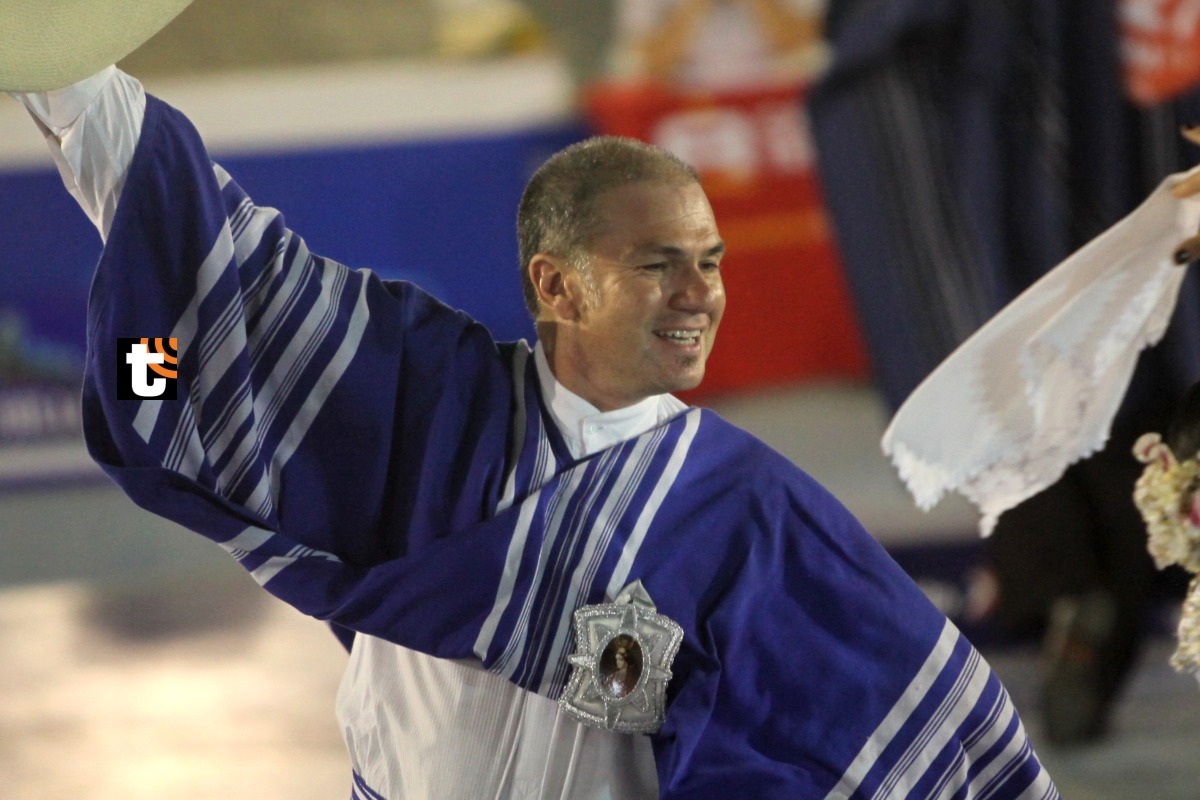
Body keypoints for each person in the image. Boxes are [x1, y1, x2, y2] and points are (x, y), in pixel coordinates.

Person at [6, 17, 1058, 800]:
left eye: (710, 264)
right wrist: (58, 52)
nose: (700, 296)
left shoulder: (755, 516)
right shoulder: (417, 400)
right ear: (557, 286)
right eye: (658, 265)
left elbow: (882, 729)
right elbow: (180, 317)